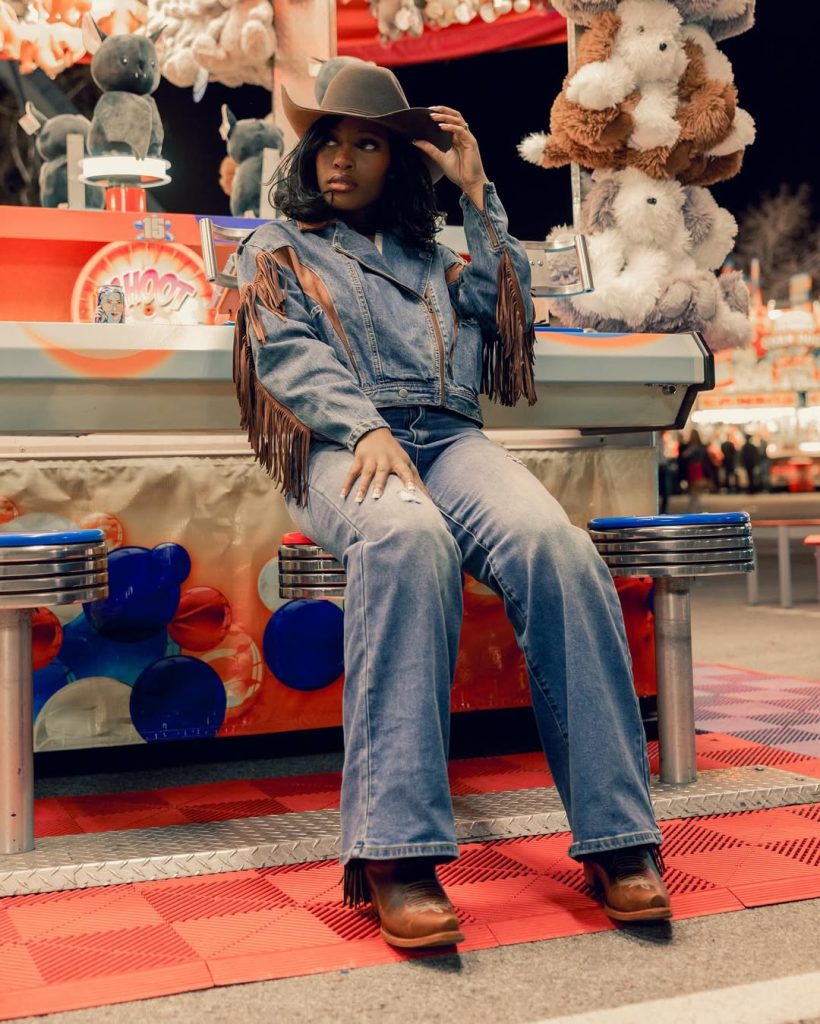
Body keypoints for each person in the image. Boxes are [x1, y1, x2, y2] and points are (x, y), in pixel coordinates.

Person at [235, 63, 669, 949]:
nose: (341, 159)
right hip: (342, 444)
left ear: (398, 160)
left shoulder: (437, 256)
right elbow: (286, 354)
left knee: (558, 548)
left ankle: (619, 835)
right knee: (407, 539)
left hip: (449, 437)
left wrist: (477, 193)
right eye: (329, 141)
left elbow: (511, 311)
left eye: (366, 144)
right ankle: (396, 854)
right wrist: (362, 426)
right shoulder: (277, 246)